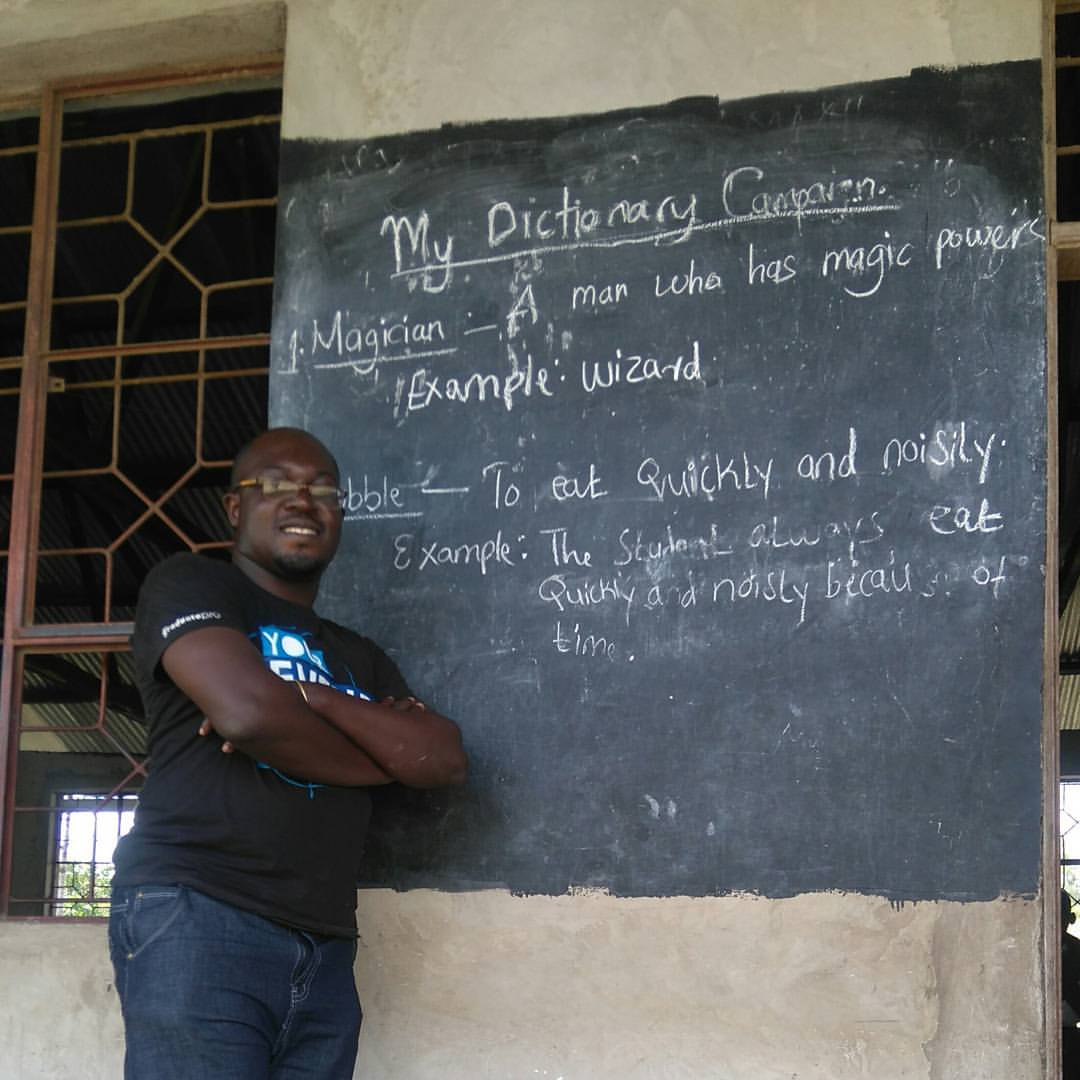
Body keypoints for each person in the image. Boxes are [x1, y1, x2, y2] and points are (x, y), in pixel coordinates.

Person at [109, 426, 467, 1080]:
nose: (302, 500)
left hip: (325, 946)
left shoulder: (358, 655)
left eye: (322, 490)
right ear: (235, 510)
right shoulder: (193, 586)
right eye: (274, 484)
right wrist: (376, 757)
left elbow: (440, 760)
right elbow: (246, 713)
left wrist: (313, 697)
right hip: (197, 914)